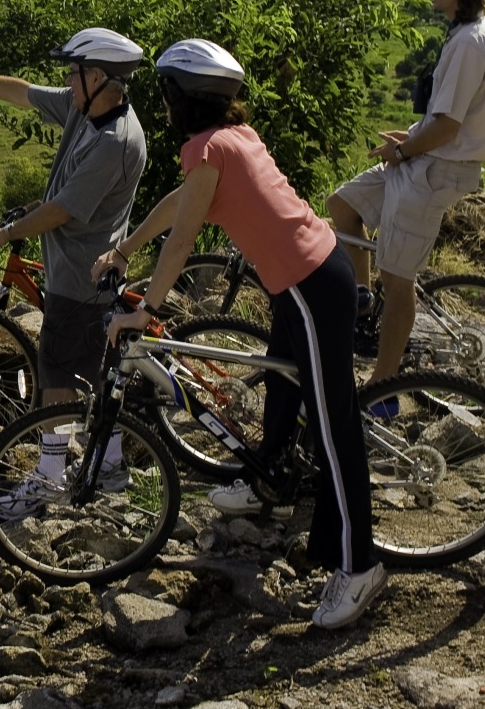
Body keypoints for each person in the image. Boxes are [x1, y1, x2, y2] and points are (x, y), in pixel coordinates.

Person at [94, 39, 384, 630]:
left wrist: (145, 310)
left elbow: (183, 238)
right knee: (282, 383)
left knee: (333, 425)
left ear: (179, 96)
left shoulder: (208, 147)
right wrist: (125, 248)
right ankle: (264, 480)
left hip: (308, 284)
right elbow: (181, 205)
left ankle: (360, 565)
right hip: (308, 273)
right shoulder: (230, 140)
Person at [0, 29, 147, 516]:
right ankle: (109, 467)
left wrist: (6, 233)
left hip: (80, 279)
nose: (67, 80)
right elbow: (22, 92)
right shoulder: (84, 108)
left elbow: (64, 210)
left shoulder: (114, 140)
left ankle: (50, 476)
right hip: (81, 274)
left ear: (99, 77)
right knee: (91, 368)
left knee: (56, 374)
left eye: (74, 72)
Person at [326, 0, 485, 382]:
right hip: (426, 158)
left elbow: (448, 128)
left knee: (398, 278)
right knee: (342, 206)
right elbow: (445, 122)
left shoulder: (469, 43)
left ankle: (382, 387)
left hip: (434, 170)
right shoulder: (478, 33)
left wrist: (405, 151)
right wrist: (411, 138)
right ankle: (362, 300)